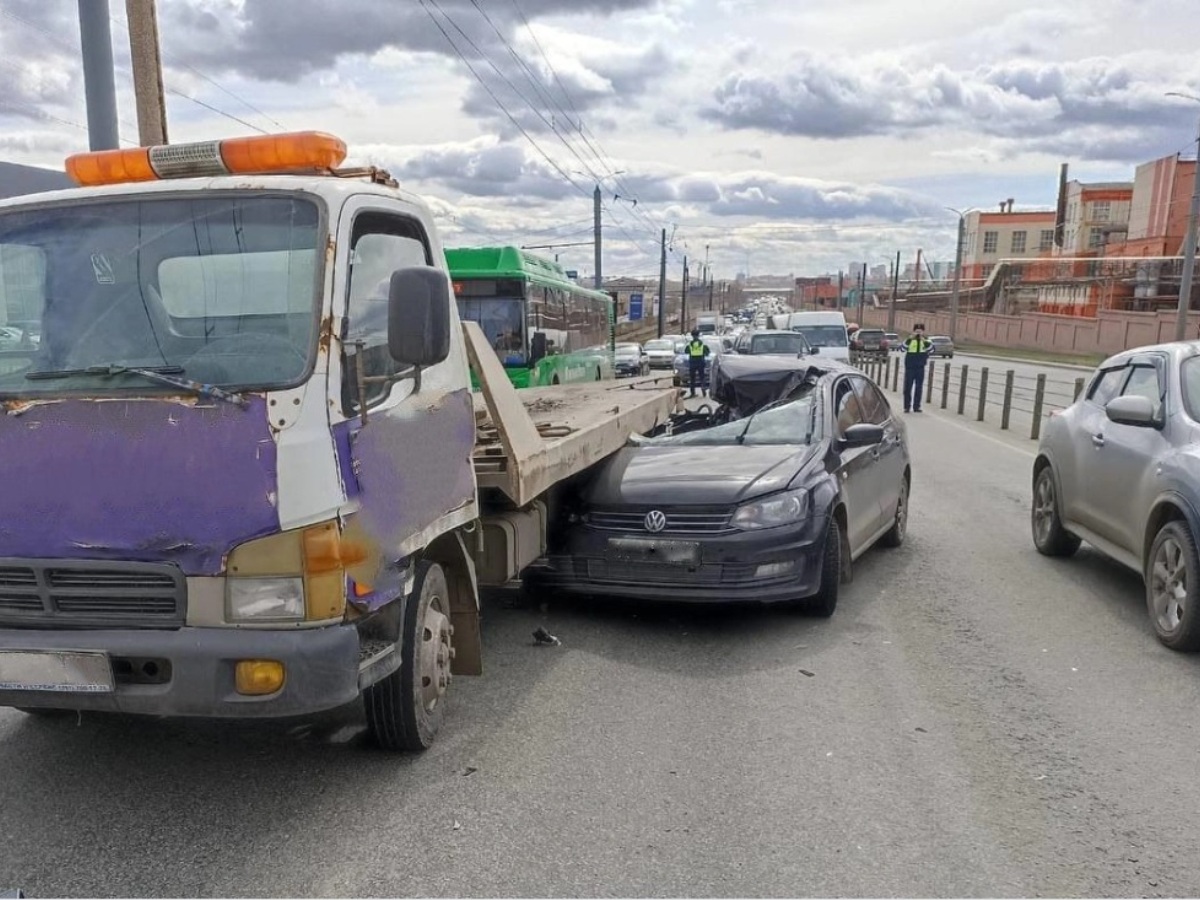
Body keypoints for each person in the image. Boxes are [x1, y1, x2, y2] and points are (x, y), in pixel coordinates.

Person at [902, 323, 933, 413]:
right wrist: (910, 339)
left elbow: (932, 350)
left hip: (920, 367)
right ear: (914, 331)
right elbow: (902, 348)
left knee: (919, 387)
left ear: (923, 331)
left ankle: (916, 406)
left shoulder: (927, 340)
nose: (918, 333)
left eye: (920, 331)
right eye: (917, 331)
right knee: (908, 387)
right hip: (910, 367)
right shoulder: (909, 340)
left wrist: (923, 340)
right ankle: (907, 406)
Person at [685, 329, 711, 398]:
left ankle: (693, 393)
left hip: (692, 363)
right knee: (702, 377)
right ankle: (703, 389)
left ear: (692, 336)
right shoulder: (702, 344)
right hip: (701, 362)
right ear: (698, 335)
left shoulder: (690, 344)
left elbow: (686, 351)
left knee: (692, 378)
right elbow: (707, 352)